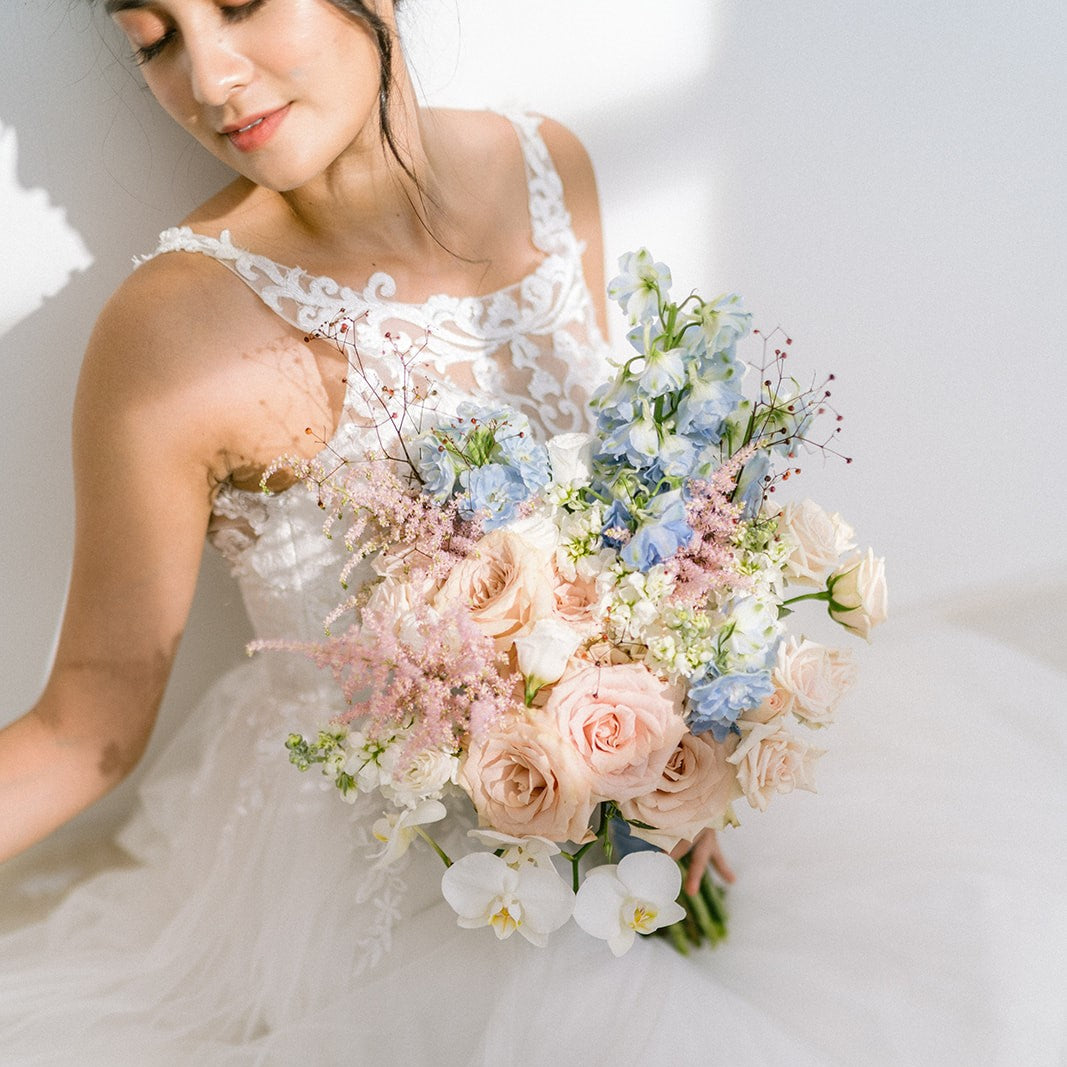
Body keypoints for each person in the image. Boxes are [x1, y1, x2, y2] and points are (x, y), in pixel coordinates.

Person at [1, 2, 1065, 1064]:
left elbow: (623, 507)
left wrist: (682, 757)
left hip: (657, 818)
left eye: (238, 4)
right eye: (156, 40)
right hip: (390, 881)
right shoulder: (170, 334)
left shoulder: (540, 161)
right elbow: (80, 728)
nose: (212, 76)